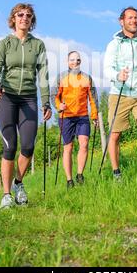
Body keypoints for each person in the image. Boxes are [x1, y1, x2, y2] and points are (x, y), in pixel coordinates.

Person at [0, 3, 52, 209]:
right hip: (6, 97)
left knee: (28, 145)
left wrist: (46, 101)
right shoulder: (5, 43)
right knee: (10, 146)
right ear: (13, 18)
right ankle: (6, 195)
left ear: (32, 20)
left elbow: (43, 75)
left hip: (28, 98)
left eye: (29, 15)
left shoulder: (38, 45)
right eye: (20, 14)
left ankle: (18, 184)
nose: (25, 17)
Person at [104, 6, 137, 182]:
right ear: (122, 21)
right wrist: (117, 76)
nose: (134, 21)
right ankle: (116, 173)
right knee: (115, 135)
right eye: (130, 18)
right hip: (120, 93)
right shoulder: (114, 45)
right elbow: (107, 69)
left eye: (136, 18)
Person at [51, 51, 99, 188]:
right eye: (72, 60)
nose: (75, 62)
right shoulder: (61, 77)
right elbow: (54, 95)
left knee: (84, 144)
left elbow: (93, 98)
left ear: (80, 62)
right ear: (67, 61)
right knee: (68, 147)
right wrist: (58, 105)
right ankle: (69, 180)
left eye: (78, 60)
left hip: (82, 116)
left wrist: (94, 116)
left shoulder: (86, 78)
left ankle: (79, 175)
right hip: (66, 117)